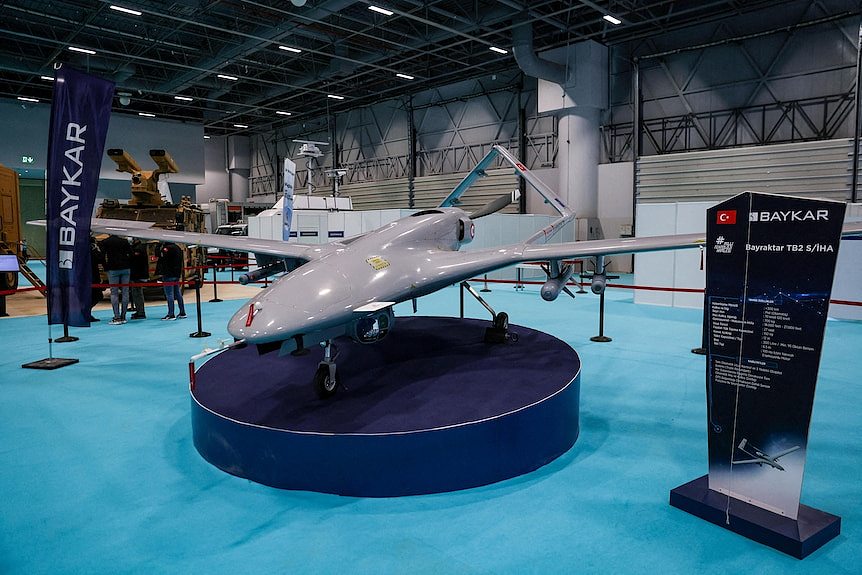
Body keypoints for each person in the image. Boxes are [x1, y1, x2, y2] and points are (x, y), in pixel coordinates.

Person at [99, 235, 132, 325]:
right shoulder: (124, 241)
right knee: (125, 291)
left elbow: (101, 256)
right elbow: (130, 253)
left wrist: (106, 267)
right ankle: (123, 316)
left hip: (113, 268)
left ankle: (117, 316)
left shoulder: (105, 242)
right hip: (125, 267)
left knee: (114, 292)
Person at [156, 242, 186, 321]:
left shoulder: (167, 249)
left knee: (169, 294)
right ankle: (182, 312)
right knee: (178, 293)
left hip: (168, 274)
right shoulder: (178, 248)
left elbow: (159, 254)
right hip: (176, 273)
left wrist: (159, 245)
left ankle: (171, 314)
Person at [129, 239, 149, 319]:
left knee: (137, 294)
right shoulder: (139, 247)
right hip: (138, 274)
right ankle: (139, 311)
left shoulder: (139, 249)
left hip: (137, 275)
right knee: (137, 293)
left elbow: (135, 261)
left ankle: (140, 312)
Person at [88, 235, 104, 322]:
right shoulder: (92, 251)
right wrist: (97, 249)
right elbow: (100, 258)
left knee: (95, 296)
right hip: (92, 276)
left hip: (87, 276)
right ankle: (86, 313)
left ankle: (86, 313)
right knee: (96, 295)